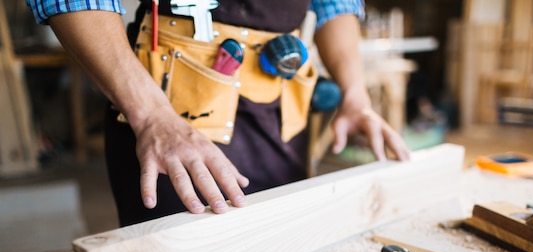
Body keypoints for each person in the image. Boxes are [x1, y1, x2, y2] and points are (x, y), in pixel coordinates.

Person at [26, 0, 411, 226]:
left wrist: (356, 95)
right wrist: (151, 116)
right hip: (165, 113)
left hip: (276, 109)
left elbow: (335, 4)